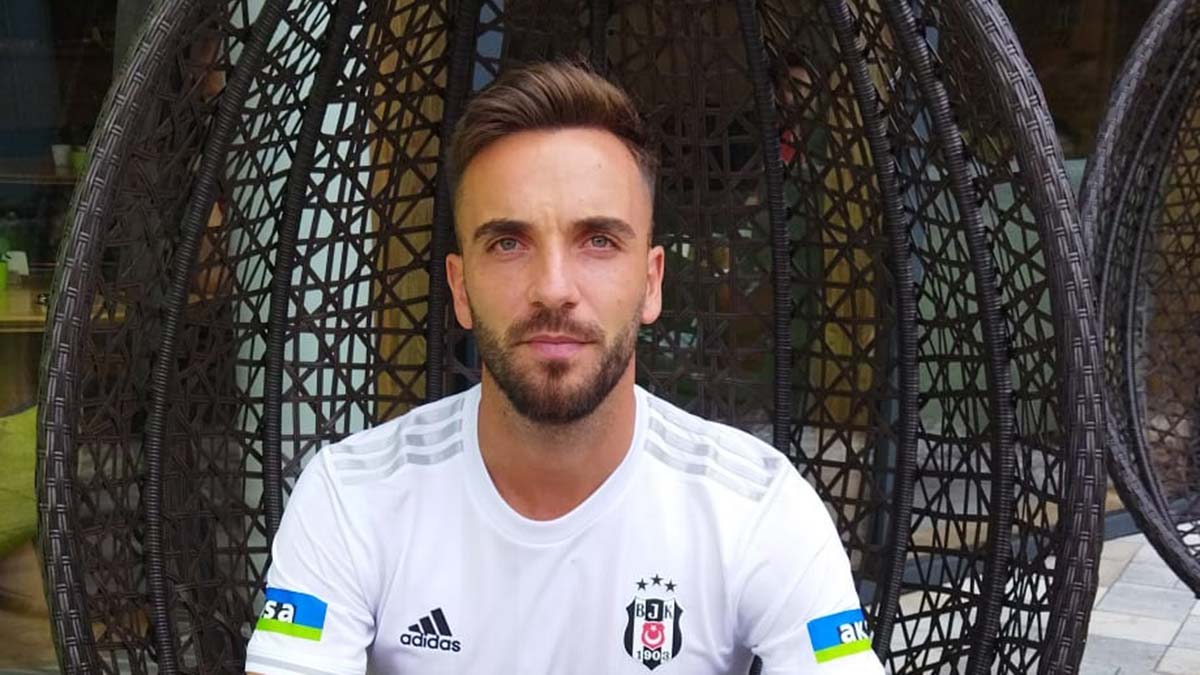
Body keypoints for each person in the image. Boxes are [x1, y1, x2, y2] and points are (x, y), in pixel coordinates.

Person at [245, 60, 883, 675]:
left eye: (598, 241)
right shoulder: (352, 496)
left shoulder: (757, 507)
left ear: (652, 282)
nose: (553, 288)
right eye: (509, 243)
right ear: (460, 289)